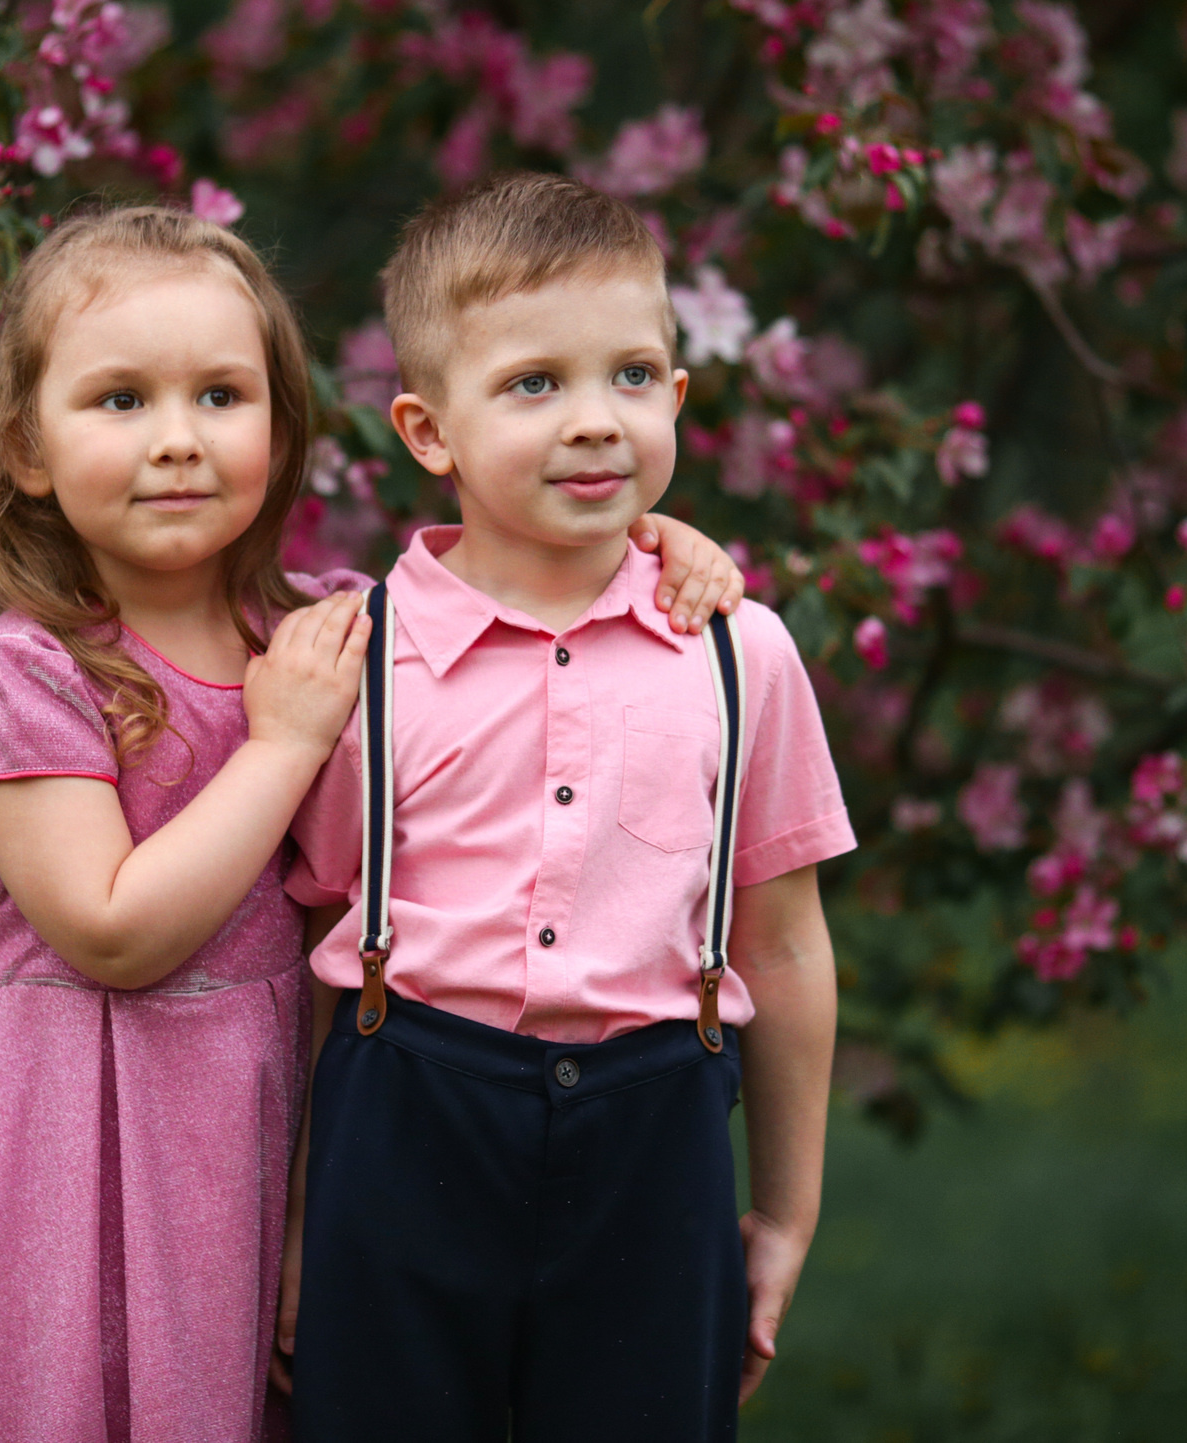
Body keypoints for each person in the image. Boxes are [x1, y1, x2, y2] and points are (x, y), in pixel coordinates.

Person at [0, 204, 748, 1443]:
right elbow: (113, 932)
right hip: (73, 1156)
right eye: (120, 402)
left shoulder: (329, 632)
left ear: (283, 427)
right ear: (28, 452)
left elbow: (526, 569)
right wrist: (282, 746)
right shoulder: (25, 676)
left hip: (278, 1140)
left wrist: (655, 537)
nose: (177, 441)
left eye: (222, 397)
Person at [280, 174, 854, 1442]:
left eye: (633, 377)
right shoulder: (355, 664)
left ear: (679, 397)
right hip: (410, 1103)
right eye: (535, 384)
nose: (596, 422)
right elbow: (315, 947)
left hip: (659, 1132)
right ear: (429, 432)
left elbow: (787, 940)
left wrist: (787, 1215)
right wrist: (299, 1225)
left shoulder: (737, 652)